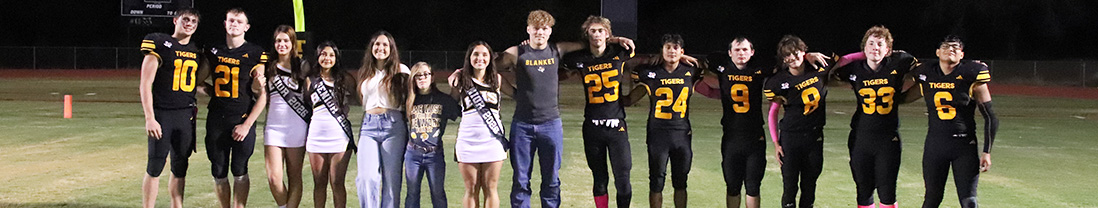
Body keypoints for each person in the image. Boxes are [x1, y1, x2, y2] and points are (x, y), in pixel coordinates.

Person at [492, 10, 635, 208]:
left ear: (550, 31)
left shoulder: (557, 49)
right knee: (521, 180)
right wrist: (512, 92)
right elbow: (484, 68)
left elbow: (592, 42)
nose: (540, 32)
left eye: (544, 28)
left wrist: (615, 38)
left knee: (551, 181)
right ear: (528, 30)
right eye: (536, 28)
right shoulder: (516, 53)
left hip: (551, 124)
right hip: (523, 126)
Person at [830, 26, 919, 208]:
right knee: (863, 191)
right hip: (860, 137)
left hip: (887, 139)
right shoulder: (854, 69)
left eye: (880, 44)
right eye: (870, 43)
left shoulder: (898, 63)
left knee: (887, 191)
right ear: (863, 48)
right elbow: (828, 74)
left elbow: (926, 77)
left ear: (888, 50)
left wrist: (903, 98)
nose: (875, 48)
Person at [559, 15, 638, 208]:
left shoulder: (620, 52)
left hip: (616, 124)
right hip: (593, 126)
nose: (597, 34)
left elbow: (660, 57)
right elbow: (558, 55)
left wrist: (616, 39)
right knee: (600, 179)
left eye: (601, 30)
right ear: (587, 35)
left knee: (623, 179)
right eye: (592, 31)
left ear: (608, 33)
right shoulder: (579, 59)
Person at [910, 36, 998, 208]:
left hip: (964, 146)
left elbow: (990, 116)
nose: (951, 49)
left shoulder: (971, 75)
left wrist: (987, 152)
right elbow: (904, 96)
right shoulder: (926, 74)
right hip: (935, 145)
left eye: (956, 48)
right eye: (946, 46)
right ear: (937, 52)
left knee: (969, 201)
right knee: (931, 199)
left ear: (962, 54)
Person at [694, 37, 774, 208]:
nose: (741, 53)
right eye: (737, 50)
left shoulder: (758, 69)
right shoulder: (723, 68)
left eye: (745, 49)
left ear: (752, 52)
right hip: (731, 136)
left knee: (753, 187)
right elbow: (704, 63)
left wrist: (807, 56)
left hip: (754, 136)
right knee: (732, 187)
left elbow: (788, 63)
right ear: (729, 53)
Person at [624, 34, 702, 208]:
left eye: (676, 48)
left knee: (681, 182)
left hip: (681, 133)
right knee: (656, 181)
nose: (672, 51)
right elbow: (630, 98)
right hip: (657, 133)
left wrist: (685, 57)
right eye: (668, 47)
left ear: (682, 51)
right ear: (662, 51)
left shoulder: (691, 71)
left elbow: (708, 67)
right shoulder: (650, 72)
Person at [201, 8, 267, 208]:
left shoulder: (255, 53)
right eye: (231, 20)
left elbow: (261, 94)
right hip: (217, 119)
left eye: (239, 21)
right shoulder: (213, 50)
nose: (234, 24)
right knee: (218, 170)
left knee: (240, 170)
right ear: (225, 23)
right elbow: (196, 80)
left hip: (241, 117)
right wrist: (214, 92)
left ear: (246, 27)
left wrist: (247, 125)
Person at [139, 8, 202, 208]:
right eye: (185, 19)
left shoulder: (196, 50)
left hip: (185, 115)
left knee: (180, 167)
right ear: (175, 20)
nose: (189, 23)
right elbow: (145, 83)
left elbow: (194, 83)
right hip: (163, 114)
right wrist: (150, 117)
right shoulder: (160, 43)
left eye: (193, 21)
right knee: (155, 165)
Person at [764, 35, 830, 208]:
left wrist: (809, 56)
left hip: (814, 137)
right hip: (790, 138)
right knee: (789, 187)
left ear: (803, 51)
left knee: (809, 187)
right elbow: (773, 113)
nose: (792, 58)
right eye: (787, 55)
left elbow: (846, 59)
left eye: (795, 52)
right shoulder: (778, 81)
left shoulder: (819, 68)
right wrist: (776, 143)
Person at [451, 41, 509, 208]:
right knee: (471, 188)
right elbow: (450, 106)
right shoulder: (461, 80)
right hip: (468, 140)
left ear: (490, 58)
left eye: (484, 54)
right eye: (476, 54)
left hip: (492, 141)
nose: (480, 58)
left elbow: (518, 95)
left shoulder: (497, 80)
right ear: (469, 57)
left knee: (491, 188)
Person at [356, 31, 411, 208]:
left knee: (392, 180)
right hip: (369, 125)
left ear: (391, 49)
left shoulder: (401, 70)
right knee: (367, 177)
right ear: (371, 48)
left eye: (385, 45)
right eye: (377, 44)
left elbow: (414, 95)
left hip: (393, 126)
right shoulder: (365, 72)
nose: (380, 48)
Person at [304, 41, 357, 208]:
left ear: (336, 58)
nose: (327, 58)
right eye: (323, 54)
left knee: (337, 183)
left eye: (331, 55)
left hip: (339, 136)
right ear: (318, 56)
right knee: (319, 183)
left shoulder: (345, 79)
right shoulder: (310, 80)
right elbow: (306, 105)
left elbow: (356, 99)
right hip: (316, 136)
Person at [263, 25, 309, 208]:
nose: (282, 44)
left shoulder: (302, 65)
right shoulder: (268, 65)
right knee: (274, 178)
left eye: (286, 40)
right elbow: (259, 94)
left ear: (293, 43)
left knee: (294, 177)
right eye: (278, 40)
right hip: (274, 127)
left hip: (297, 126)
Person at [404, 62, 460, 208]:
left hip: (434, 155)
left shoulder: (442, 100)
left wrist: (456, 86)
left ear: (432, 77)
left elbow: (458, 111)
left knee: (437, 193)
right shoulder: (409, 99)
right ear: (413, 79)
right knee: (412, 193)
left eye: (426, 74)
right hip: (413, 153)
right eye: (418, 75)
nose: (422, 78)